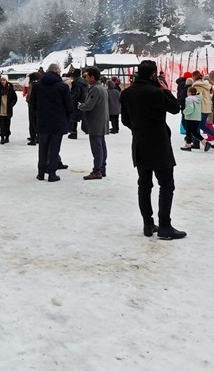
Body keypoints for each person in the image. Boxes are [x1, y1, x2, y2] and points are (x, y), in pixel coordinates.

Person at [118, 60, 186, 240]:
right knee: (166, 184)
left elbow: (125, 120)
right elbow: (175, 108)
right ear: (153, 74)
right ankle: (165, 225)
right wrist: (165, 89)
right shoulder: (156, 92)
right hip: (159, 142)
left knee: (144, 184)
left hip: (139, 142)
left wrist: (138, 128)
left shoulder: (126, 94)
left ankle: (147, 223)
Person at [32, 63, 74, 182]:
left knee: (42, 147)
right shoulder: (63, 87)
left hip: (42, 121)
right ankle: (52, 173)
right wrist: (66, 120)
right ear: (57, 72)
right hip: (58, 122)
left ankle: (41, 172)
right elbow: (69, 107)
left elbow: (33, 105)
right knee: (54, 148)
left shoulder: (37, 86)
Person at [77, 67, 110, 179]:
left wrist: (80, 105)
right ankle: (102, 168)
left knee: (97, 147)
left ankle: (97, 170)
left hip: (95, 122)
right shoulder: (102, 88)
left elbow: (89, 105)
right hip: (101, 120)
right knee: (101, 146)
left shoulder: (95, 89)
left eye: (86, 76)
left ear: (92, 77)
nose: (85, 78)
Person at [187, 71, 214, 150]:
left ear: (194, 76)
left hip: (201, 108)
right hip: (207, 107)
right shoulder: (206, 84)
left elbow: (198, 97)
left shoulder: (197, 85)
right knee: (202, 125)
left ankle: (196, 142)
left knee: (196, 126)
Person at [0, 76, 18, 144]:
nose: (2, 81)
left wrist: (11, 104)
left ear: (6, 81)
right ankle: (2, 137)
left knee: (7, 123)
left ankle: (7, 136)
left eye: (4, 80)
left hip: (8, 108)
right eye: (1, 80)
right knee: (1, 124)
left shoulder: (10, 88)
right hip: (0, 108)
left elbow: (15, 98)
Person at [67, 69, 90, 140]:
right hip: (84, 100)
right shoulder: (85, 82)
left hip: (77, 102)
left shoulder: (77, 83)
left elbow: (76, 93)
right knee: (83, 116)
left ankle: (73, 133)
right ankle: (87, 129)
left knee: (74, 117)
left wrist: (71, 99)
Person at [180, 86, 204, 151]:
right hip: (197, 117)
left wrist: (184, 112)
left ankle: (188, 145)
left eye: (187, 92)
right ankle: (204, 142)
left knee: (188, 131)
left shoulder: (188, 99)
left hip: (190, 117)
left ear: (190, 92)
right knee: (194, 131)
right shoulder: (198, 99)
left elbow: (190, 108)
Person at [24, 71, 40, 145]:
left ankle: (33, 138)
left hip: (32, 105)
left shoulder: (32, 84)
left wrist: (28, 100)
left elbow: (30, 95)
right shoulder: (40, 84)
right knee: (38, 121)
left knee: (32, 121)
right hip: (39, 106)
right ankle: (38, 136)